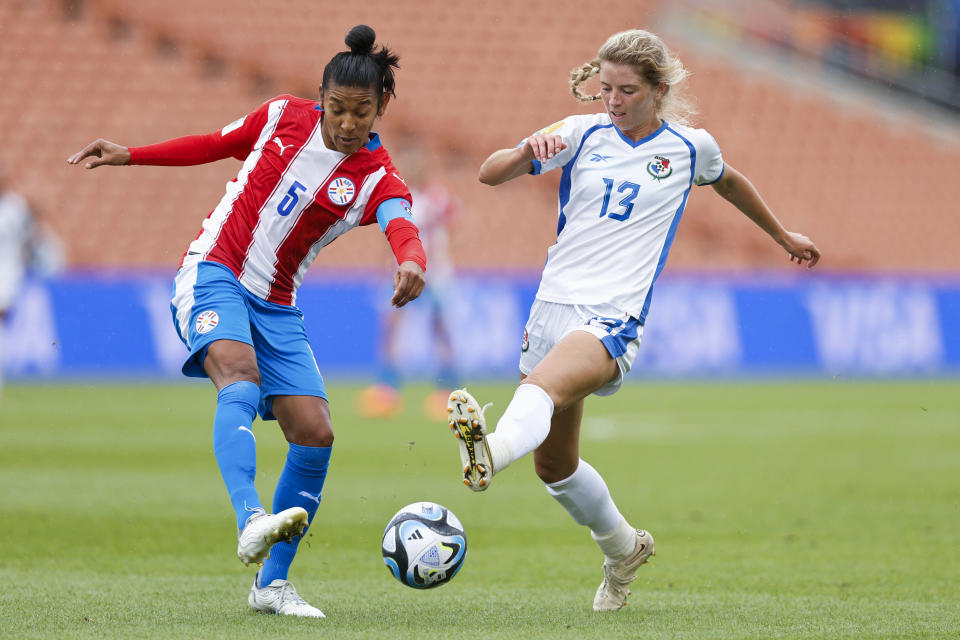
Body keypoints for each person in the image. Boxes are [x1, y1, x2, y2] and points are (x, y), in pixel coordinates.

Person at [446, 28, 821, 613]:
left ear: (658, 90)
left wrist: (782, 235)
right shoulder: (578, 133)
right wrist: (524, 154)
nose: (613, 101)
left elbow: (731, 183)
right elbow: (488, 174)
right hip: (552, 305)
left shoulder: (690, 148)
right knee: (555, 466)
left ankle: (489, 451)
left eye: (626, 90)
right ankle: (624, 549)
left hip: (613, 316)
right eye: (605, 90)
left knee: (540, 391)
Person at [68, 25, 426, 618]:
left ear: (381, 107)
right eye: (335, 107)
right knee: (239, 374)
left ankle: (271, 586)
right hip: (216, 270)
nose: (345, 122)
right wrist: (131, 153)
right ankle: (251, 518)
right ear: (321, 97)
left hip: (278, 302)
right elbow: (211, 143)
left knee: (316, 432)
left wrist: (412, 259)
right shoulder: (282, 116)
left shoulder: (375, 177)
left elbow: (399, 220)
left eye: (360, 112)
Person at [358, 142, 461, 420]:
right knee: (391, 327)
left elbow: (448, 234)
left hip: (434, 273)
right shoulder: (399, 197)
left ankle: (446, 389)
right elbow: (388, 237)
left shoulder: (438, 198)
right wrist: (382, 268)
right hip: (401, 270)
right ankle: (387, 388)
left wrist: (441, 265)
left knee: (439, 329)